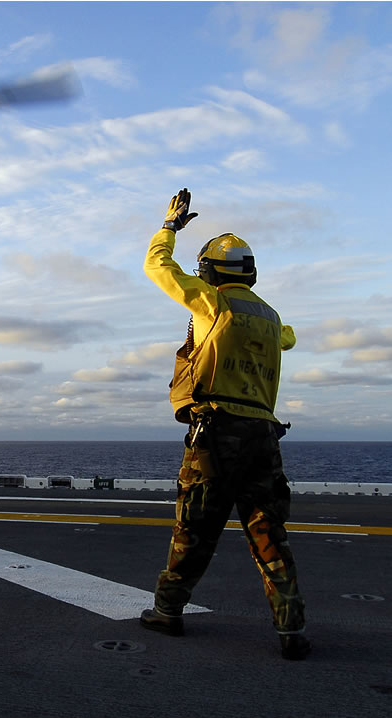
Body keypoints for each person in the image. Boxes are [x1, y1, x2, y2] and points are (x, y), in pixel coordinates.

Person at [140, 188, 310, 661]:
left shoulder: (211, 302)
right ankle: (292, 629)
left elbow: (158, 267)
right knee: (269, 534)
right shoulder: (271, 317)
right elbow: (289, 339)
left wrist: (169, 228)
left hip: (216, 432)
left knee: (193, 530)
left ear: (211, 272)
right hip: (264, 437)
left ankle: (167, 611)